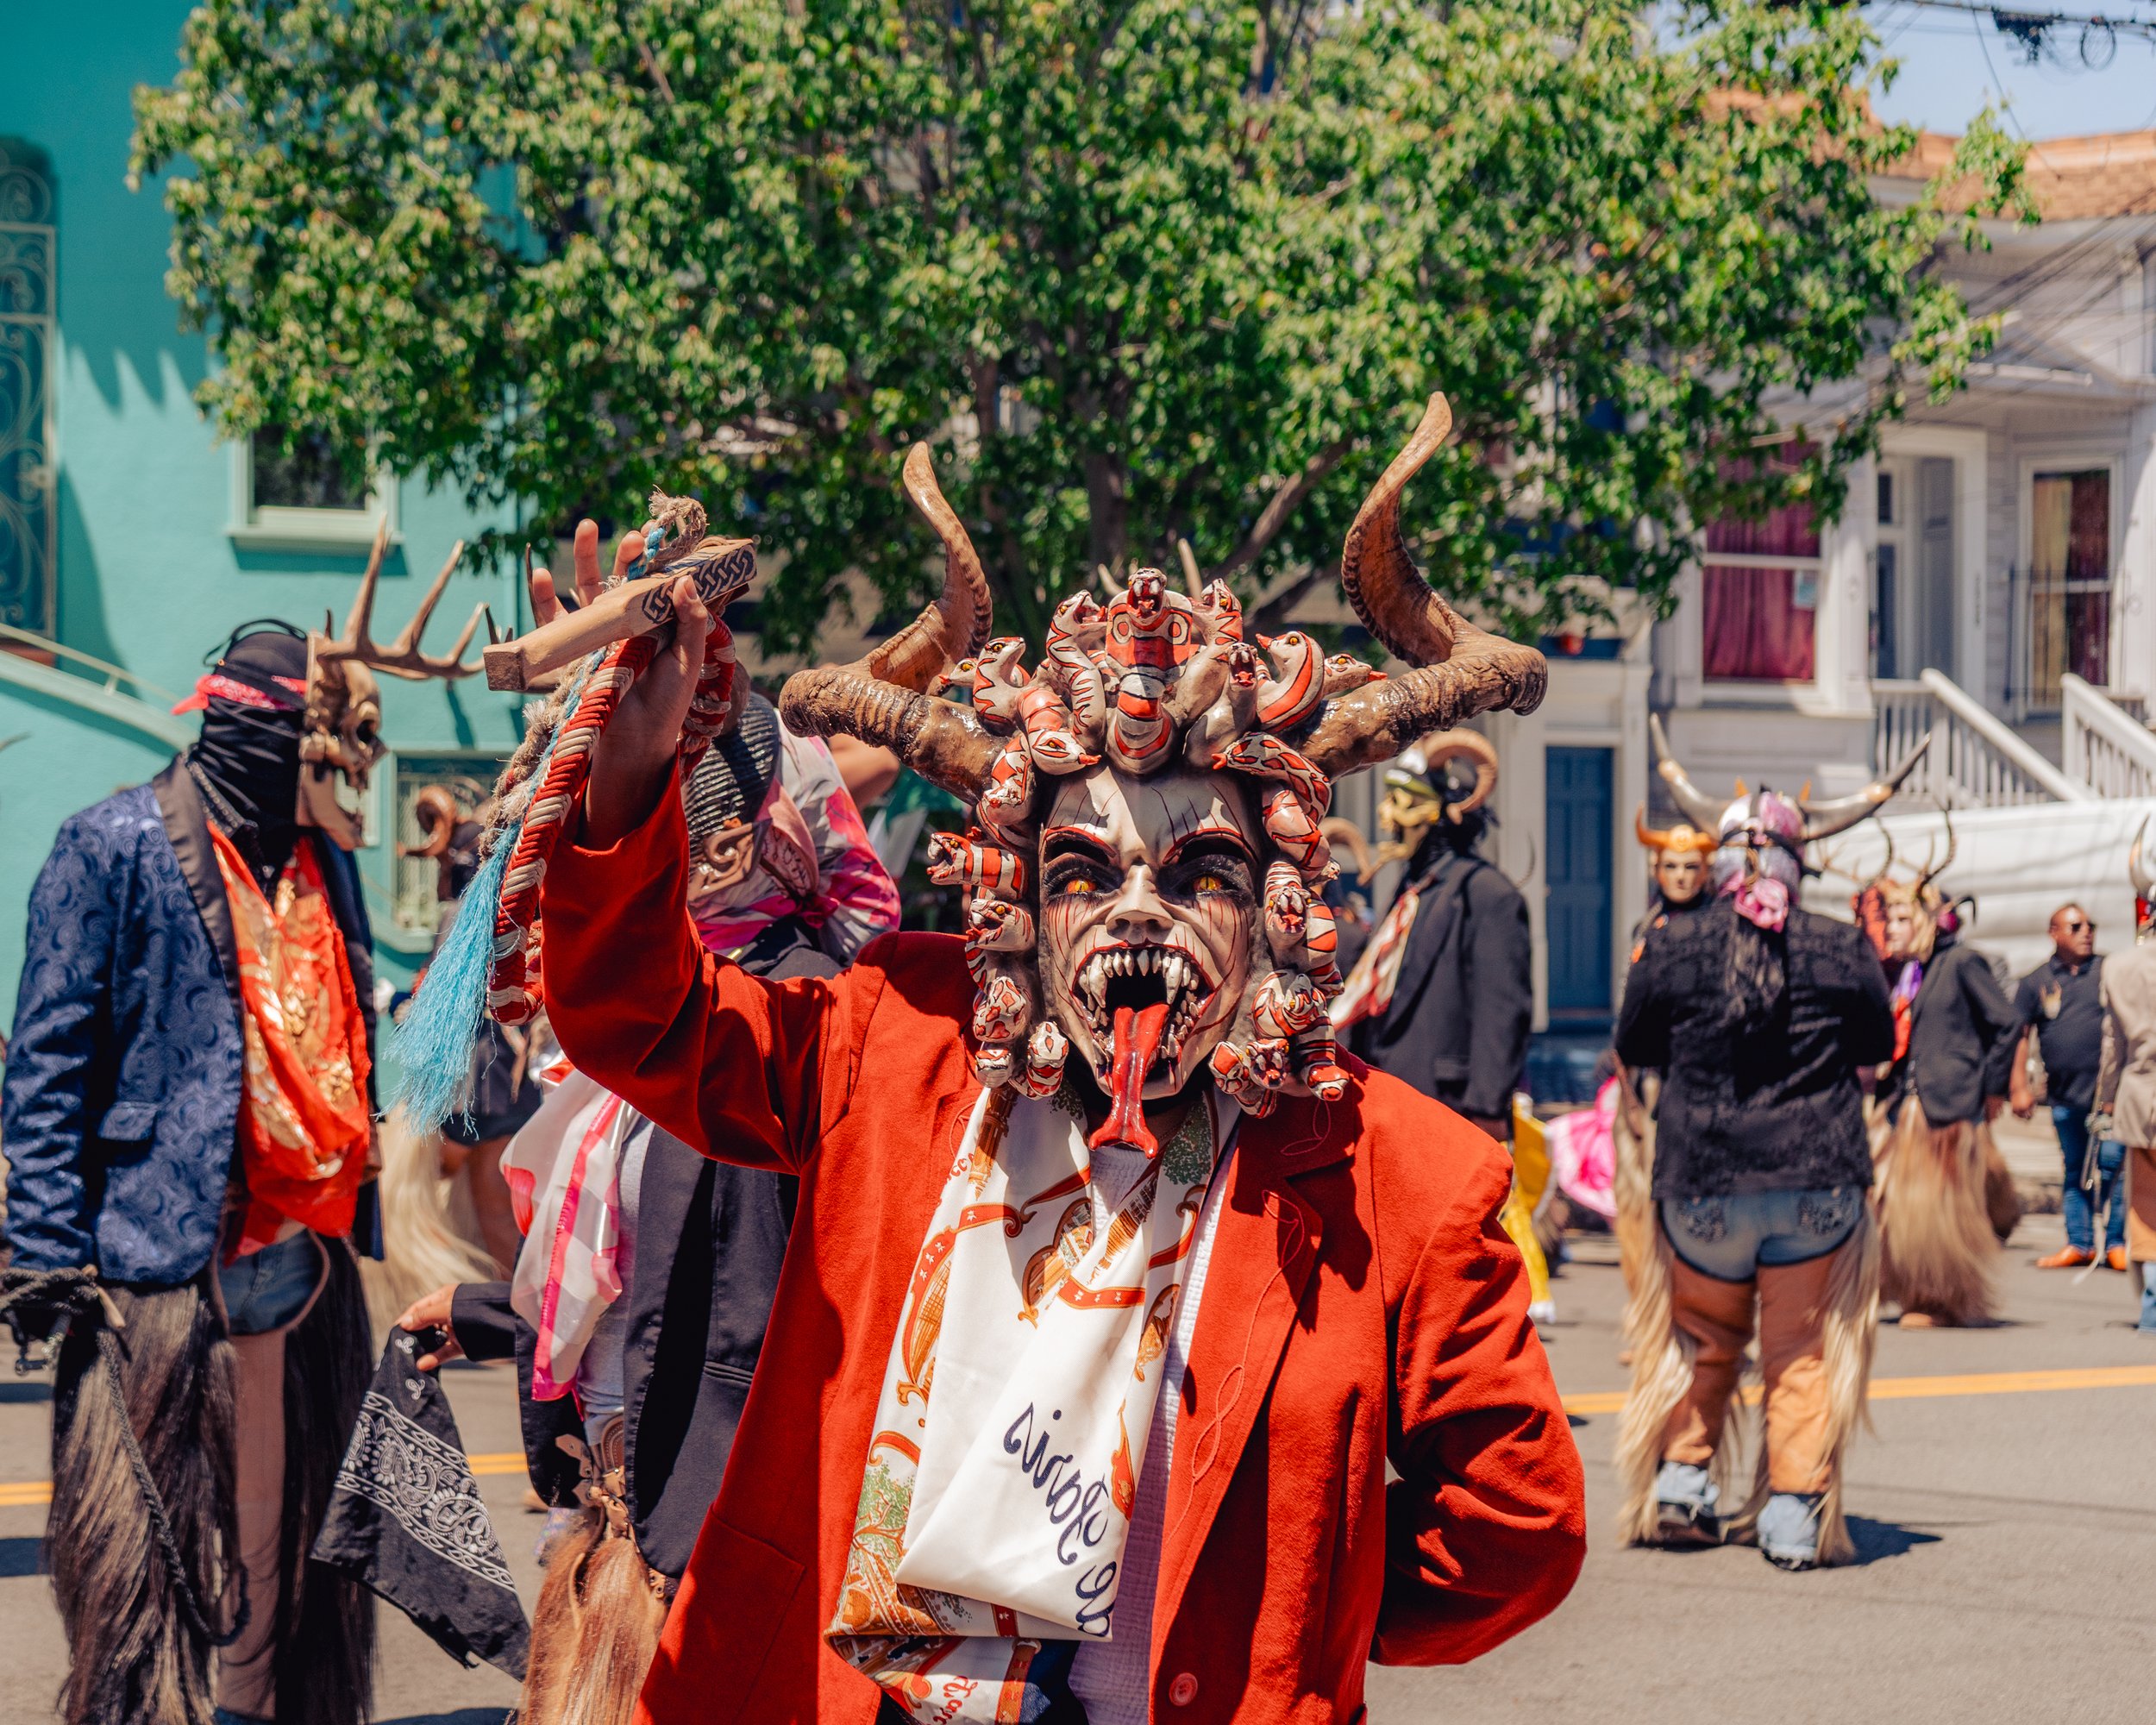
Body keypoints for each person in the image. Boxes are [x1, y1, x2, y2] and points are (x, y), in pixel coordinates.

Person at [498, 403, 1584, 1722]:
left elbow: (1514, 1535)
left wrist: (1296, 1621)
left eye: (1203, 870)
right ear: (1020, 892)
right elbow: (641, 1024)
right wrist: (624, 776)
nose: (1136, 912)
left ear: (1283, 895)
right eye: (1082, 869)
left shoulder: (1403, 1183)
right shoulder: (897, 1043)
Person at [393, 558, 903, 1724]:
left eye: (677, 824)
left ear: (743, 844)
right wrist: (481, 1317)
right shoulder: (645, 1048)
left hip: (721, 1556)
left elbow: (759, 1313)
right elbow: (647, 1274)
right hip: (634, 1528)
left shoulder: (796, 1030)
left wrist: (699, 1552)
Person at [1, 550, 481, 1725]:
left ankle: (264, 1708)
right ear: (266, 744)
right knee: (133, 1572)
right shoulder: (109, 846)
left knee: (288, 1545)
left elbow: (348, 1032)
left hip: (301, 1270)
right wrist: (45, 1250)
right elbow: (47, 1062)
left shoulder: (327, 868)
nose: (348, 784)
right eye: (329, 760)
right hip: (154, 1265)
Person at [1612, 724, 1917, 1571]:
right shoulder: (1837, 943)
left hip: (1700, 1188)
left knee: (1700, 1341)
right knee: (1802, 1354)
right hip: (1817, 1189)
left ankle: (1679, 1488)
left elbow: (1635, 1045)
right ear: (1798, 864)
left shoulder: (1669, 944)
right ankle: (1789, 1520)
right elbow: (1877, 1044)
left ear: (1714, 864)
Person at [1871, 835, 2021, 1328]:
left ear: (1925, 920)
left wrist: (1991, 1087)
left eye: (1899, 920)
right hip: (1909, 1106)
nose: (1890, 929)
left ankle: (1944, 1299)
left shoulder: (1960, 963)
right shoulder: (1915, 972)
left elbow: (2006, 1024)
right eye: (1888, 919)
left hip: (1948, 1106)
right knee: (1898, 1208)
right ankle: (1910, 1290)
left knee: (1941, 1217)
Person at [1610, 804, 1720, 1357]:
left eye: (1690, 868)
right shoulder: (1645, 928)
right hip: (1643, 1092)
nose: (1680, 876)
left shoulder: (1719, 930)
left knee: (1696, 1211)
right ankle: (1653, 1324)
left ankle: (1697, 1324)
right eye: (1671, 867)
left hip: (1697, 1090)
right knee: (1641, 1214)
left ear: (1707, 872)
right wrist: (1627, 1091)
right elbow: (1629, 1017)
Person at [2012, 904, 2128, 1270]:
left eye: (2090, 925)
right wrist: (2018, 1086)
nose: (2086, 932)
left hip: (2109, 1095)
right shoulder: (2037, 981)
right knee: (2076, 1168)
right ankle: (2079, 1243)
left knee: (2113, 1165)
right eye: (2076, 926)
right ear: (2054, 933)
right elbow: (2020, 1033)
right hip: (2064, 1095)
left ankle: (2117, 1243)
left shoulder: (2110, 971)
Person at [2095, 828, 2156, 1333]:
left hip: (2139, 1099)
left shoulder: (2118, 966)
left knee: (2145, 1207)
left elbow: (2112, 1047)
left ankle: (2152, 1307)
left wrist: (2105, 1101)